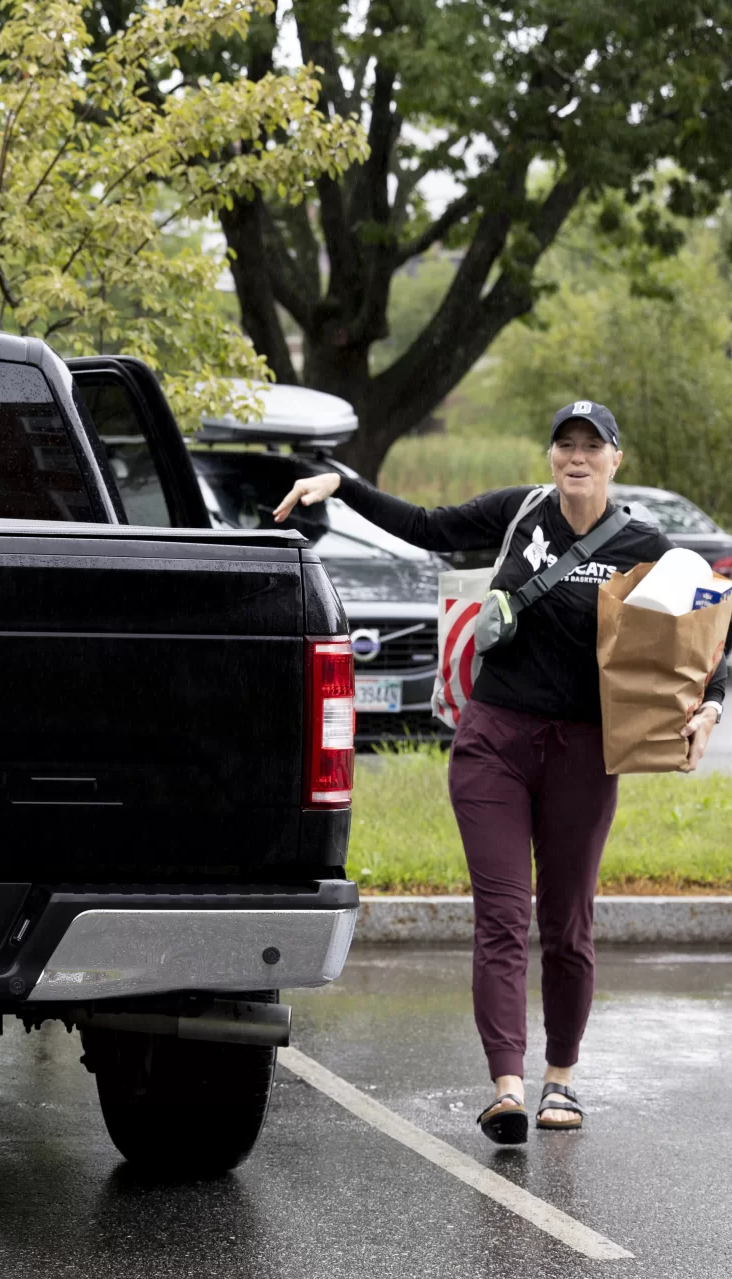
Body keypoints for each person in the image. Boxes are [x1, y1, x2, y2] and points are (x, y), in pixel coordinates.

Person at [274, 401, 728, 1144]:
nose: (575, 457)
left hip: (584, 753)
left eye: (592, 446)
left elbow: (705, 640)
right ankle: (507, 1087)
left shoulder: (644, 545)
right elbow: (427, 526)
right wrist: (341, 485)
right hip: (494, 739)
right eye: (564, 444)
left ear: (617, 459)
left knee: (568, 924)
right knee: (502, 913)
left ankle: (561, 1079)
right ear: (550, 455)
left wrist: (707, 707)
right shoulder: (521, 514)